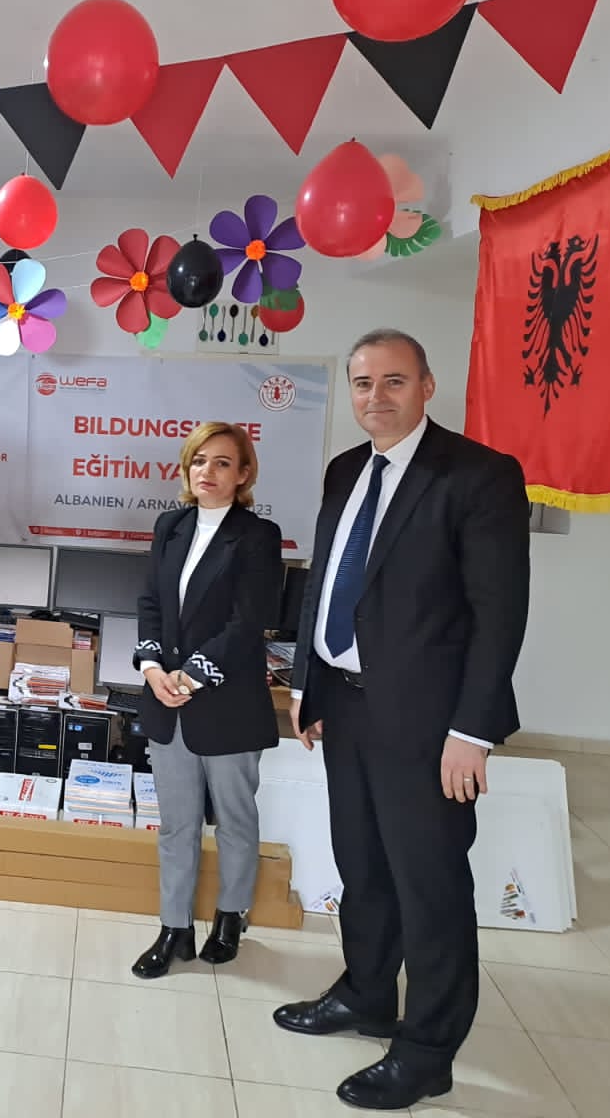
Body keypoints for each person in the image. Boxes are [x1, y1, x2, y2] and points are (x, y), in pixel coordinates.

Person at [272, 330, 530, 1111]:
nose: (375, 397)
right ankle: (367, 993)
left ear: (426, 386)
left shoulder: (478, 475)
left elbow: (500, 615)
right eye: (362, 383)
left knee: (430, 885)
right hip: (345, 706)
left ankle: (427, 1051)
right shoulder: (346, 469)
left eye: (393, 381)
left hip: (429, 723)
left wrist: (472, 732)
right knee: (362, 865)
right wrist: (307, 682)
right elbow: (325, 583)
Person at [130, 422, 284, 979]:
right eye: (199, 460)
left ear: (243, 475)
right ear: (186, 468)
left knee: (235, 819)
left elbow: (249, 621)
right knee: (176, 825)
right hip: (166, 701)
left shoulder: (258, 536)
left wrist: (191, 677)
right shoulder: (170, 526)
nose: (208, 472)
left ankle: (230, 916)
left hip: (226, 702)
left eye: (222, 463)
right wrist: (152, 668)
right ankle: (174, 928)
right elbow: (150, 602)